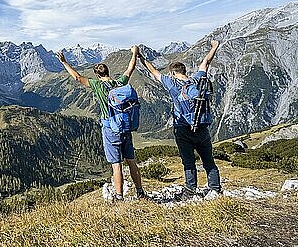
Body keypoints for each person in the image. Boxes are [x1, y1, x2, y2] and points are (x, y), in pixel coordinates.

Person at [57, 46, 145, 200]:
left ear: (97, 75)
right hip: (125, 126)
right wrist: (134, 53)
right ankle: (140, 192)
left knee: (116, 165)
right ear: (108, 72)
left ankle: (119, 196)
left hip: (110, 129)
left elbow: (77, 77)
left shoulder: (97, 85)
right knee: (131, 162)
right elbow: (130, 69)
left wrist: (64, 62)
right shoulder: (120, 82)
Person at [139, 40, 222, 199]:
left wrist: (139, 57)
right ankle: (215, 189)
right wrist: (214, 47)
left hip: (183, 128)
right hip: (202, 128)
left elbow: (154, 71)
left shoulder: (171, 83)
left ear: (172, 73)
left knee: (189, 162)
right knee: (208, 160)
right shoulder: (198, 80)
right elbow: (206, 62)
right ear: (185, 71)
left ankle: (190, 191)